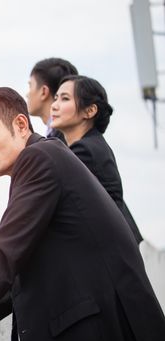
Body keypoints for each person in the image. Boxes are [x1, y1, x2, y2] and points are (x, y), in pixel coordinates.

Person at [0, 87, 165, 341]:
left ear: (20, 124)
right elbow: (22, 262)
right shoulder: (48, 157)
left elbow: (4, 253)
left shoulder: (39, 158)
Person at [51, 75, 143, 244]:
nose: (54, 105)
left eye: (65, 99)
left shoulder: (85, 151)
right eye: (55, 98)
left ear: (90, 111)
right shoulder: (91, 145)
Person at [26, 57, 77, 141]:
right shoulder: (60, 135)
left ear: (44, 92)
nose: (27, 94)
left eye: (30, 86)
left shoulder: (62, 140)